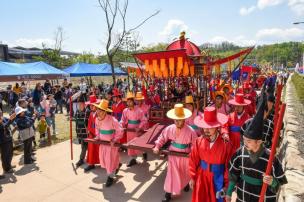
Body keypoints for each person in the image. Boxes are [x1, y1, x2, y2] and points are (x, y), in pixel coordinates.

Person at [226, 93, 287, 202]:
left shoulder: (270, 159)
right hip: (243, 194)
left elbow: (279, 183)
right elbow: (233, 175)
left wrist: (272, 182)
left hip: (261, 196)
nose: (245, 143)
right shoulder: (240, 153)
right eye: (245, 140)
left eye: (248, 141)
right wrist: (229, 192)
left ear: (259, 142)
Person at [153, 104, 197, 202]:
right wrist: (157, 146)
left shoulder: (191, 131)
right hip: (173, 154)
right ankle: (168, 194)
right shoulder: (170, 128)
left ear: (184, 119)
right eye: (175, 119)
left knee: (185, 173)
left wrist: (193, 154)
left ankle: (185, 184)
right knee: (171, 174)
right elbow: (162, 137)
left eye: (180, 119)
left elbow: (195, 144)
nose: (177, 122)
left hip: (185, 155)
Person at [189, 106, 232, 202]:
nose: (206, 130)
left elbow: (228, 166)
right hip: (202, 177)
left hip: (218, 177)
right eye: (205, 127)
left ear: (217, 126)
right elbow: (193, 160)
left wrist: (226, 184)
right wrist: (192, 177)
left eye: (210, 127)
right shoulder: (198, 141)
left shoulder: (226, 144)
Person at [94, 99, 124, 187]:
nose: (98, 112)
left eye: (100, 110)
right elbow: (97, 129)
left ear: (105, 111)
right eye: (98, 110)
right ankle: (117, 165)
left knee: (110, 161)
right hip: (103, 144)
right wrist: (98, 136)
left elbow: (120, 130)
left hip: (111, 145)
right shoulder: (97, 119)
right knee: (104, 160)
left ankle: (110, 177)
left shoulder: (112, 119)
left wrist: (114, 139)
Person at [121, 92, 148, 167]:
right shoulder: (125, 111)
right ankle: (133, 159)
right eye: (128, 101)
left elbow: (144, 120)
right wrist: (121, 126)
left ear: (133, 101)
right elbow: (122, 120)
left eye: (130, 101)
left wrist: (139, 127)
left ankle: (144, 152)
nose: (129, 103)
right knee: (130, 144)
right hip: (129, 130)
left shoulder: (139, 110)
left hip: (137, 130)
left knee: (139, 144)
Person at [84, 95, 101, 172]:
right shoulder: (91, 114)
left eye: (93, 105)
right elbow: (89, 123)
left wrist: (98, 133)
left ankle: (103, 162)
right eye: (90, 105)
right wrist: (88, 130)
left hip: (99, 134)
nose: (91, 107)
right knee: (91, 149)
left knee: (100, 149)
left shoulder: (99, 113)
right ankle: (91, 163)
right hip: (91, 133)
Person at [0, 111, 16, 178]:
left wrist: (13, 118)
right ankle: (6, 169)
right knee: (5, 155)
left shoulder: (4, 118)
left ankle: (9, 165)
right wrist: (10, 120)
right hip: (2, 141)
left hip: (8, 139)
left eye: (1, 112)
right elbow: (4, 126)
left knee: (10, 153)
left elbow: (9, 122)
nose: (0, 113)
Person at [75, 102, 89, 168]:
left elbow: (89, 122)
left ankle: (81, 159)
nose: (80, 106)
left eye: (81, 104)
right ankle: (85, 157)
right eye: (79, 104)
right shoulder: (77, 111)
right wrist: (77, 132)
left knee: (85, 146)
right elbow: (76, 122)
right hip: (80, 131)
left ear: (84, 104)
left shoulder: (87, 111)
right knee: (83, 146)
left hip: (86, 132)